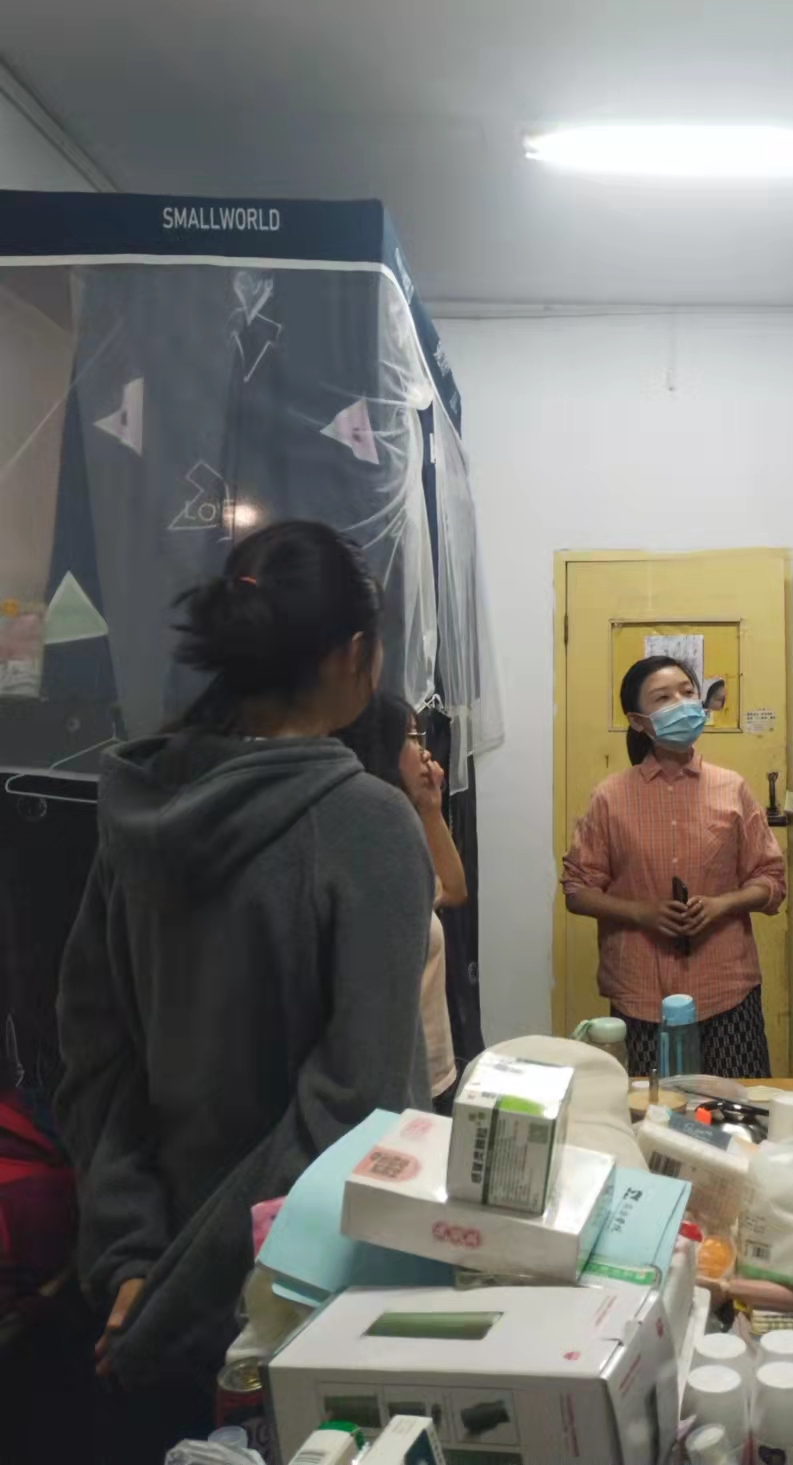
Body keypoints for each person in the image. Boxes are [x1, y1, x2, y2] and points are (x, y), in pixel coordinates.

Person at [55, 521, 432, 1459]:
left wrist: (132, 1261)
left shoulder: (138, 808)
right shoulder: (366, 823)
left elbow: (95, 1060)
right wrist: (185, 1296)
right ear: (351, 654)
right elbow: (356, 1107)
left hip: (140, 1305)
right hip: (303, 1302)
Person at [562, 655, 786, 1078]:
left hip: (726, 988)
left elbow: (771, 880)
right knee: (650, 1109)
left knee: (735, 1108)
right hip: (641, 993)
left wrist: (722, 905)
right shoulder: (610, 797)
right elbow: (577, 890)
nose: (682, 703)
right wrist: (641, 913)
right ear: (639, 721)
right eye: (663, 698)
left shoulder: (731, 788)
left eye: (687, 692)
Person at [341, 690, 469, 1112]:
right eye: (412, 738)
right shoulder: (367, 845)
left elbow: (454, 890)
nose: (425, 752)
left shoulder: (403, 831)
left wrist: (431, 808)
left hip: (433, 1070)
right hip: (394, 1085)